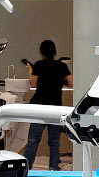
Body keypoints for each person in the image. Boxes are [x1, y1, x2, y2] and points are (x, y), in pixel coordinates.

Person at [22, 39, 72, 170]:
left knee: (33, 140)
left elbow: (33, 83)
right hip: (55, 107)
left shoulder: (39, 65)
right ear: (54, 52)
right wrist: (59, 81)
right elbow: (71, 83)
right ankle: (53, 167)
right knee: (54, 141)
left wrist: (30, 69)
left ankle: (27, 166)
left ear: (42, 52)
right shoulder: (62, 66)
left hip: (40, 106)